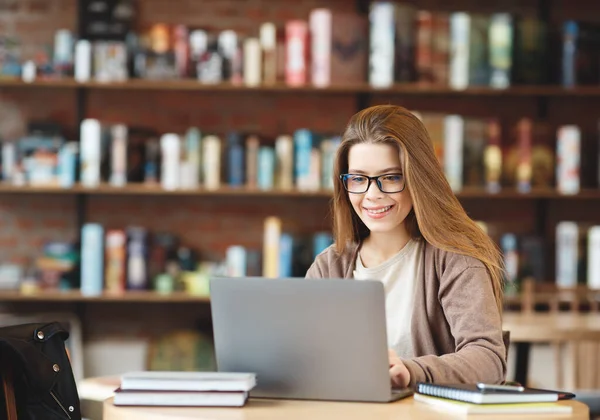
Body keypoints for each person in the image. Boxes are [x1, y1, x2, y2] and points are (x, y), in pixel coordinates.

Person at [305, 105, 506, 388]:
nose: (372, 194)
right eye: (359, 179)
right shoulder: (329, 267)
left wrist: (411, 371)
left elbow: (489, 360)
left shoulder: (455, 260)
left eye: (391, 177)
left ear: (417, 178)